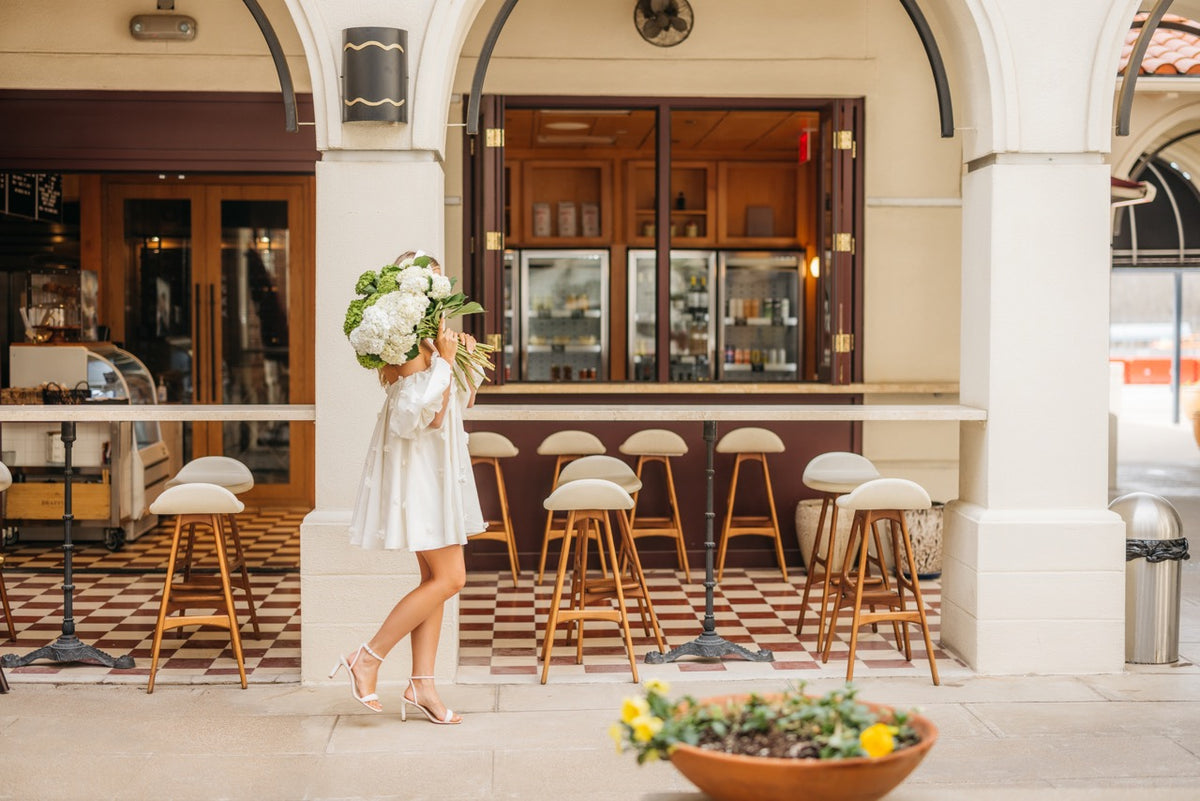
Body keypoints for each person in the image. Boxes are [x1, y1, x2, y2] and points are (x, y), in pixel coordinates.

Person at [332, 297, 485, 725]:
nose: (441, 303)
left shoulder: (430, 347)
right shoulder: (408, 352)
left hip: (437, 475)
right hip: (422, 479)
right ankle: (367, 658)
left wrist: (462, 361)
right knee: (452, 578)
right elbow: (414, 419)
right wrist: (444, 362)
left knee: (435, 579)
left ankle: (423, 684)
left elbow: (455, 408)